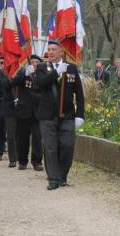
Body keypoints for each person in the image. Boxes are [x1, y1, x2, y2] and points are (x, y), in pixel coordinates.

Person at [35, 40, 85, 191]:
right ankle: (53, 179)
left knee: (67, 146)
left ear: (61, 52)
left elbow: (79, 94)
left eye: (53, 49)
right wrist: (56, 72)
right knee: (50, 148)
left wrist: (80, 115)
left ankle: (62, 175)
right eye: (49, 49)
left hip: (67, 115)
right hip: (47, 116)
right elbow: (40, 83)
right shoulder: (42, 67)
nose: (50, 52)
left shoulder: (72, 68)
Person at [11, 55, 44, 171]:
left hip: (37, 111)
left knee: (37, 138)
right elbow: (13, 83)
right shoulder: (22, 73)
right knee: (23, 138)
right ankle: (22, 161)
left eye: (37, 62)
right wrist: (24, 74)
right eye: (32, 62)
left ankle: (37, 162)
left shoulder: (43, 74)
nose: (34, 64)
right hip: (24, 110)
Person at [0, 57, 18, 168]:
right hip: (9, 108)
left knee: (20, 134)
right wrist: (12, 76)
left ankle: (21, 157)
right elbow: (6, 84)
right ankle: (13, 158)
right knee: (11, 134)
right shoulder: (4, 74)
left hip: (21, 107)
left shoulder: (20, 72)